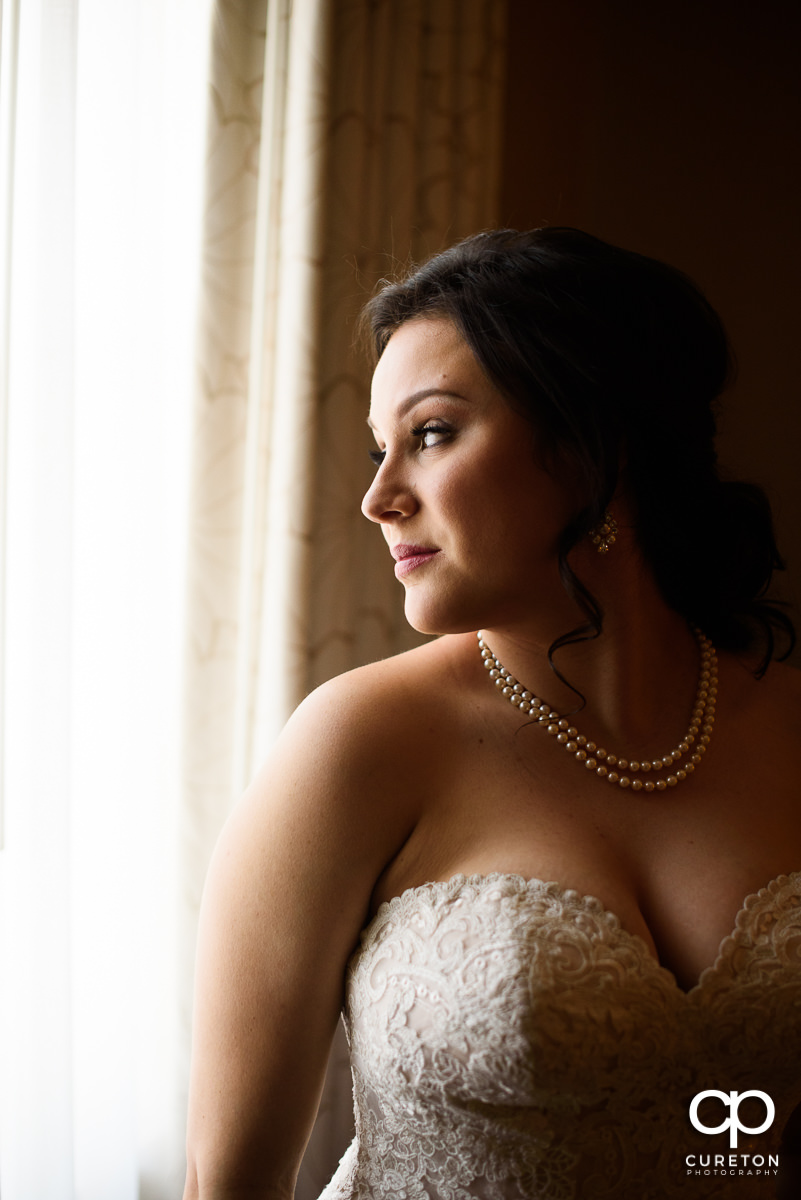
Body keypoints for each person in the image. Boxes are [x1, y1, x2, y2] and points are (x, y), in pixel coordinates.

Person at [182, 228, 801, 1200]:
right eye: (383, 448)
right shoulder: (356, 747)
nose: (378, 497)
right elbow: (225, 1187)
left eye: (429, 435)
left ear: (599, 442)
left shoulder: (787, 723)